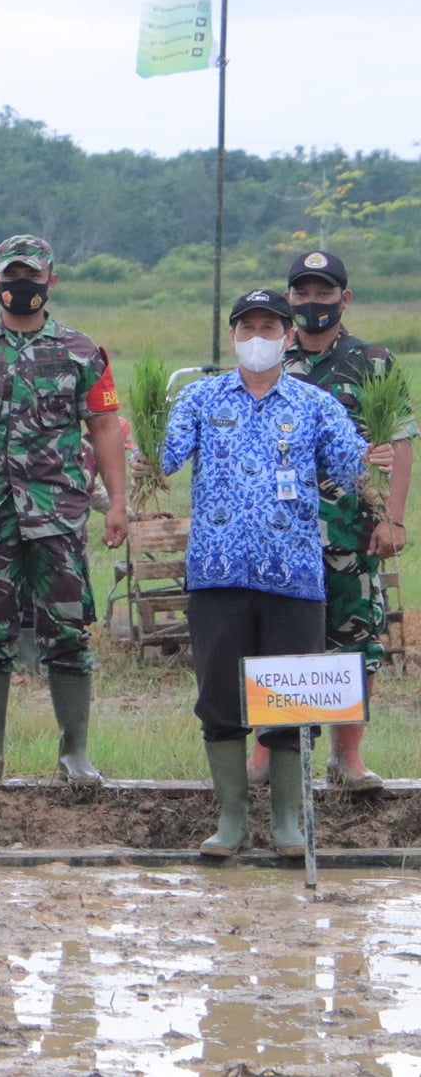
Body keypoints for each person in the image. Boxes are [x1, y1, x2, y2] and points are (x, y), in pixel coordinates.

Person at [156, 289, 385, 859]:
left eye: (269, 327)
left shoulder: (314, 404)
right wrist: (142, 451)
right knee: (219, 697)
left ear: (287, 337)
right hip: (218, 575)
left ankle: (288, 822)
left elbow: (346, 464)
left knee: (290, 700)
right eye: (248, 327)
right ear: (233, 337)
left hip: (294, 577)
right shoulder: (200, 398)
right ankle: (231, 819)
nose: (258, 337)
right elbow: (165, 457)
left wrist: (371, 459)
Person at [0, 235, 127, 786]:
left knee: (67, 630)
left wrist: (119, 503)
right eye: (12, 276)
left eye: (32, 276)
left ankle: (74, 753)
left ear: (51, 281)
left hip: (58, 514)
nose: (22, 286)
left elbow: (104, 428)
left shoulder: (83, 352)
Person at [276, 250, 415, 790]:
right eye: (303, 293)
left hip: (352, 528)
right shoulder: (269, 358)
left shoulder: (372, 360)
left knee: (357, 637)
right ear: (290, 297)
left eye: (324, 292)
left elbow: (398, 442)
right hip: (280, 532)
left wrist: (394, 520)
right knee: (280, 636)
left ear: (344, 298)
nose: (314, 303)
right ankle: (275, 754)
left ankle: (347, 756)